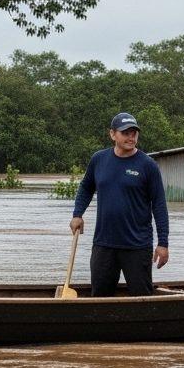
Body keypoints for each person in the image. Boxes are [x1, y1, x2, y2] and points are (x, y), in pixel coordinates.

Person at [70, 112, 170, 297]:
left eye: (134, 133)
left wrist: (163, 243)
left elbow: (159, 206)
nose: (131, 137)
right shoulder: (98, 160)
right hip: (104, 244)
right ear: (112, 134)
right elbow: (85, 188)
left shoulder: (148, 165)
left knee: (142, 298)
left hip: (137, 246)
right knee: (99, 297)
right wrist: (77, 214)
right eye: (126, 133)